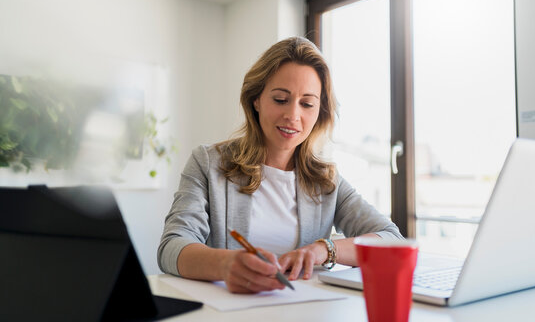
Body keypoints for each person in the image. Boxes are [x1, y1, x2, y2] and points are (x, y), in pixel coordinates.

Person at [158, 36, 403, 294]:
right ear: (257, 100)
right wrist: (225, 264)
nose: (293, 116)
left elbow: (392, 241)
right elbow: (171, 247)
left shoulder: (326, 181)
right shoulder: (209, 163)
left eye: (307, 104)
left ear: (319, 111)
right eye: (280, 99)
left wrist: (324, 249)